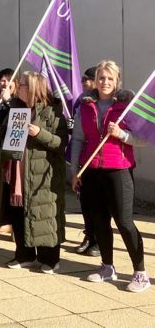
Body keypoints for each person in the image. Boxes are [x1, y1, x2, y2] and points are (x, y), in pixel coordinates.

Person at [70, 60, 149, 292]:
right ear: (95, 80)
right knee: (99, 220)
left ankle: (140, 272)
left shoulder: (127, 106)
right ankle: (107, 266)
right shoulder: (85, 106)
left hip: (119, 169)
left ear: (117, 81)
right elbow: (77, 140)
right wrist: (75, 171)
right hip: (92, 170)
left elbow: (142, 138)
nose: (105, 82)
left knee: (124, 222)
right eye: (101, 78)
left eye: (110, 78)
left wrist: (122, 134)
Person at [0, 72, 68, 274]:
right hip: (17, 171)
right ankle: (24, 254)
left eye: (22, 84)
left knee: (44, 214)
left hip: (42, 173)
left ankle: (50, 259)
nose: (17, 86)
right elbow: (8, 136)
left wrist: (39, 133)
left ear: (35, 87)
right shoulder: (16, 107)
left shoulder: (53, 110)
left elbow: (61, 143)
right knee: (18, 213)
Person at [74, 66, 100, 257]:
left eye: (86, 79)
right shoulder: (80, 102)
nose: (83, 82)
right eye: (82, 79)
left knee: (99, 205)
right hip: (84, 159)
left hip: (101, 160)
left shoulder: (104, 103)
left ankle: (99, 240)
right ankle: (89, 235)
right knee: (85, 201)